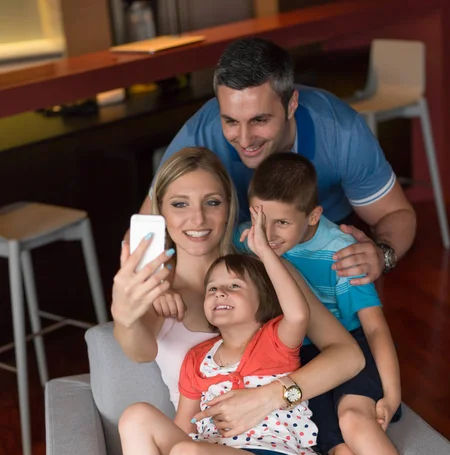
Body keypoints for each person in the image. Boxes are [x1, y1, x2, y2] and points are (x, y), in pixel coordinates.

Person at [112, 146, 365, 455]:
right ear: (159, 212)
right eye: (179, 203)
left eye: (213, 201)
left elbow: (348, 356)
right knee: (140, 421)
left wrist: (269, 397)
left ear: (232, 206)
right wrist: (125, 312)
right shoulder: (156, 289)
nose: (198, 218)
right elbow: (137, 348)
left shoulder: (265, 274)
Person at [234, 152, 435, 455]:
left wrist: (392, 394)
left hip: (350, 350)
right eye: (260, 219)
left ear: (314, 215)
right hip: (303, 364)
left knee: (355, 422)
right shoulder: (250, 242)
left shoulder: (339, 251)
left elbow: (376, 328)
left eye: (282, 224)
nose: (268, 235)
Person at [137, 37, 416, 286]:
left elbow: (395, 213)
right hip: (237, 251)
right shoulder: (199, 134)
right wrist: (158, 286)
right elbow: (144, 227)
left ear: (291, 105)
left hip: (323, 247)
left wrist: (383, 254)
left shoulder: (341, 131)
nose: (245, 139)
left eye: (259, 120)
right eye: (231, 121)